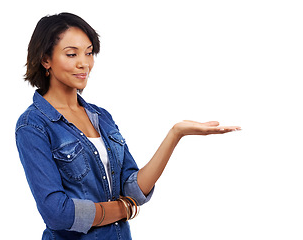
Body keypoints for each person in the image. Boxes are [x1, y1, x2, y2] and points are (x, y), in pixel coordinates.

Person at [15, 12, 241, 240]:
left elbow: (133, 190)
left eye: (89, 52)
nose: (84, 63)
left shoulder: (101, 117)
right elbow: (58, 214)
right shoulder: (33, 125)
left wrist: (176, 134)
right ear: (45, 60)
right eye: (72, 54)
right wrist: (124, 209)